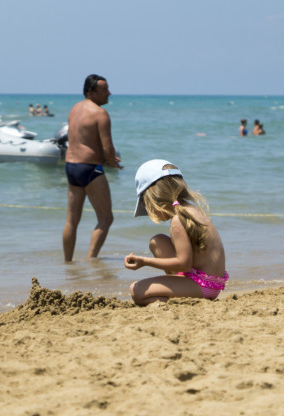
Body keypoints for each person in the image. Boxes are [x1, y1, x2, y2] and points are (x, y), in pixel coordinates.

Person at [125, 159, 228, 306]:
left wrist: (144, 262)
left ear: (154, 197)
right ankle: (179, 289)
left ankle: (178, 299)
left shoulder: (178, 220)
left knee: (137, 290)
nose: (148, 210)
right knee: (157, 241)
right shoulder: (191, 210)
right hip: (209, 282)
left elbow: (184, 264)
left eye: (146, 204)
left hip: (203, 286)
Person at [62, 74, 122, 262]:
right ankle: (91, 260)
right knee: (106, 219)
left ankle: (68, 263)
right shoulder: (100, 113)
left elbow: (82, 140)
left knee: (71, 221)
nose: (109, 93)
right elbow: (107, 147)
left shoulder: (75, 108)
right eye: (104, 90)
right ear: (90, 92)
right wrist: (112, 162)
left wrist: (106, 157)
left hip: (71, 167)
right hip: (89, 169)